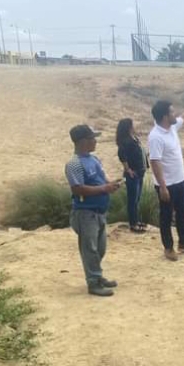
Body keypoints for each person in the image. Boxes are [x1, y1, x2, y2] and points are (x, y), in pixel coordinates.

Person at [64, 124, 122, 296]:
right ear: (83, 141)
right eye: (92, 138)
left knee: (99, 248)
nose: (95, 141)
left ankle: (97, 276)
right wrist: (105, 188)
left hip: (99, 212)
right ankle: (93, 283)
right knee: (90, 249)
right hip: (85, 213)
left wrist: (112, 184)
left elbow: (102, 179)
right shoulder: (74, 164)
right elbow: (78, 189)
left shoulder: (94, 159)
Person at [148, 99, 184, 261]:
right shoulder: (156, 137)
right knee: (166, 217)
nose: (175, 114)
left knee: (182, 213)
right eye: (172, 112)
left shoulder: (171, 128)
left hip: (180, 181)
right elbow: (155, 162)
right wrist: (163, 187)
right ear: (165, 117)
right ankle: (168, 248)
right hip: (167, 185)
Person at [116, 117, 149, 233]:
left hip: (140, 171)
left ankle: (136, 221)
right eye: (132, 125)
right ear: (129, 127)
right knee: (132, 200)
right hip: (133, 174)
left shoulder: (134, 138)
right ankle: (133, 224)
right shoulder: (125, 141)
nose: (134, 127)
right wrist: (128, 169)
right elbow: (122, 155)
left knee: (137, 199)